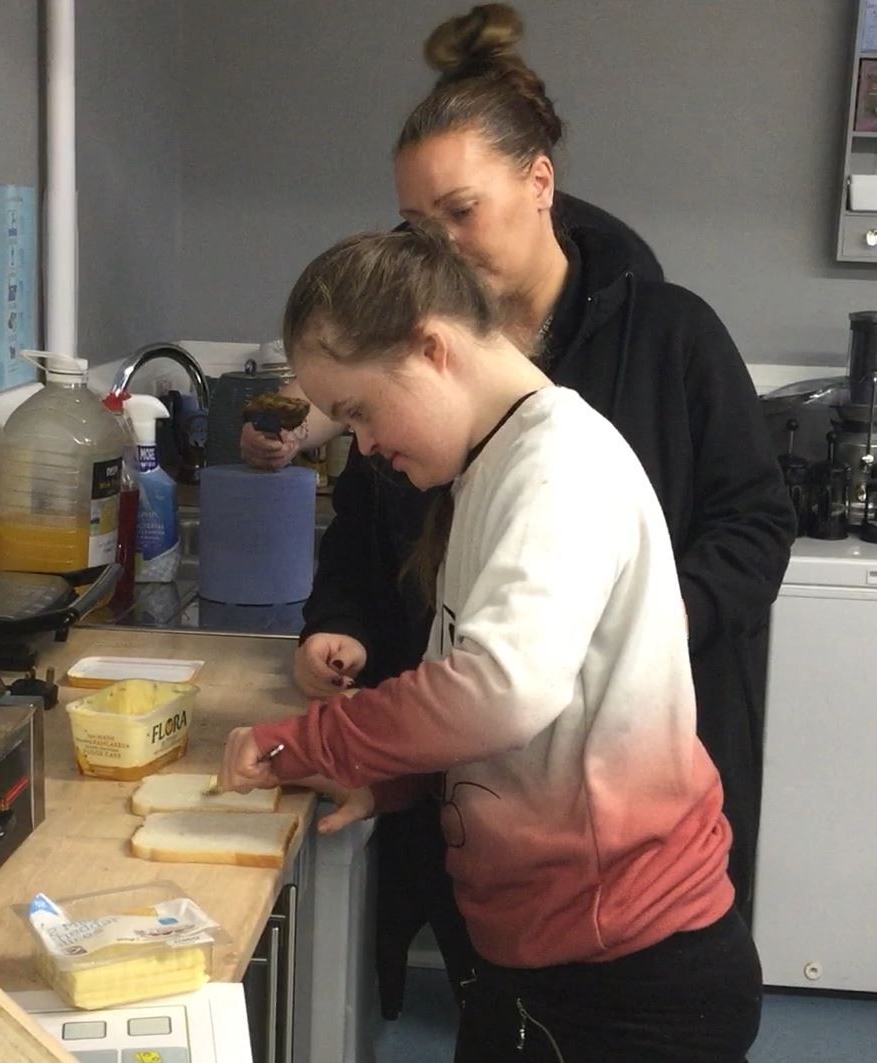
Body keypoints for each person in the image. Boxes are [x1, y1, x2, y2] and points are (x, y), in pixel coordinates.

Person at [240, 4, 795, 1011]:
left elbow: (509, 682)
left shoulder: (586, 417)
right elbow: (424, 606)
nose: (439, 245)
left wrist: (307, 742)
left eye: (460, 212)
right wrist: (377, 710)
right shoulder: (467, 444)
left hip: (620, 905)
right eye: (416, 226)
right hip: (516, 855)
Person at [218, 222, 764, 1062]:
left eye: (360, 410)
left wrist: (305, 739)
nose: (361, 444)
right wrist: (390, 776)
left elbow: (503, 691)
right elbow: (503, 714)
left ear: (430, 349)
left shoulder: (558, 468)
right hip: (553, 958)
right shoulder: (492, 467)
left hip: (627, 973)